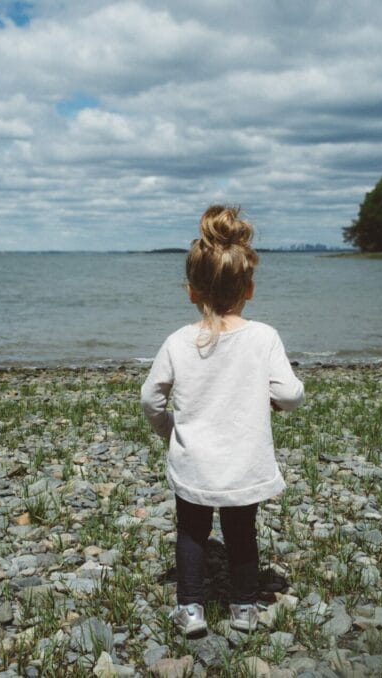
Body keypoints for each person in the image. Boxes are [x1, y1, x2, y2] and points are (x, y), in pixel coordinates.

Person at [140, 204, 304, 636]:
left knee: (192, 532)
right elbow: (289, 393)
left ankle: (191, 609)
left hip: (194, 460)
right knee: (241, 531)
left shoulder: (179, 341)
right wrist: (274, 404)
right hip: (244, 460)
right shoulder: (263, 337)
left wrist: (168, 428)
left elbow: (150, 397)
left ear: (191, 291)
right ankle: (244, 607)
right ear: (248, 288)